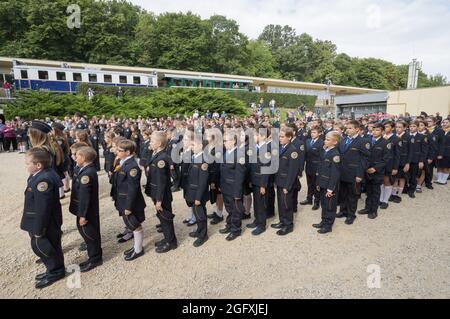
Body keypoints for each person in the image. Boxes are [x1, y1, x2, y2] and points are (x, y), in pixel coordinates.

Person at [21, 148, 65, 289]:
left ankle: (55, 271)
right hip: (46, 221)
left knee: (45, 247)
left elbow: (43, 209)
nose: (26, 165)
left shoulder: (43, 180)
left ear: (38, 165)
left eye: (28, 163)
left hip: (45, 222)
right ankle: (53, 269)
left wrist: (39, 229)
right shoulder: (41, 174)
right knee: (51, 246)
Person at [69, 146, 102, 272]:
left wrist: (83, 215)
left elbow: (85, 197)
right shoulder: (83, 169)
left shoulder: (87, 174)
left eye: (76, 156)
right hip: (84, 210)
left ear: (82, 158)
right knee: (87, 234)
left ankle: (95, 259)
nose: (74, 158)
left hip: (87, 212)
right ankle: (92, 256)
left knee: (90, 234)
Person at [113, 139, 147, 261]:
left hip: (130, 203)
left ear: (128, 152)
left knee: (135, 225)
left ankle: (138, 249)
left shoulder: (132, 167)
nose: (116, 151)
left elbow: (133, 189)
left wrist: (128, 207)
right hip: (123, 200)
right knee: (130, 225)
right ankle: (136, 247)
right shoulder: (122, 162)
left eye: (119, 150)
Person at [145, 131, 178, 253]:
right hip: (156, 192)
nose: (150, 142)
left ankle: (171, 242)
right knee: (161, 217)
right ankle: (167, 238)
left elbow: (162, 182)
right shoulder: (156, 154)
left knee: (165, 218)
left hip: (161, 195)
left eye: (152, 141)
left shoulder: (162, 159)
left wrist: (159, 200)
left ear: (159, 143)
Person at [338, 120, 370, 225]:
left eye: (350, 128)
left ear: (357, 129)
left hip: (354, 173)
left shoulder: (362, 141)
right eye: (347, 128)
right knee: (343, 194)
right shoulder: (343, 140)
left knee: (352, 196)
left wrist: (360, 174)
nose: (347, 130)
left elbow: (364, 160)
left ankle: (351, 215)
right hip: (342, 172)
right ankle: (343, 211)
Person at [271, 126, 301, 236]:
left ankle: (288, 225)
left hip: (286, 183)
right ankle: (282, 221)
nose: (280, 138)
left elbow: (293, 172)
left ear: (289, 137)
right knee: (280, 203)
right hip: (280, 180)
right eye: (279, 136)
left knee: (287, 204)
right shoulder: (281, 147)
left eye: (282, 137)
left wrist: (287, 186)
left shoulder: (292, 150)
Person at [359, 123, 391, 219]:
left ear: (382, 131)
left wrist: (375, 168)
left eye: (377, 130)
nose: (374, 132)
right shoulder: (368, 141)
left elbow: (386, 159)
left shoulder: (385, 143)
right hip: (367, 170)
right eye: (373, 130)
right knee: (368, 191)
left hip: (377, 171)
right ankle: (367, 208)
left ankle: (373, 210)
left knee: (375, 192)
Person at [219, 130, 246, 241]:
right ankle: (229, 225)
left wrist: (237, 193)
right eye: (223, 141)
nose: (224, 143)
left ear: (234, 141)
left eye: (225, 141)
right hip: (225, 187)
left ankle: (236, 230)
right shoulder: (226, 152)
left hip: (234, 189)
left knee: (236, 210)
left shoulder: (239, 155)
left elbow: (240, 176)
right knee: (229, 209)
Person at [313, 131, 341, 234]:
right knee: (324, 204)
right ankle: (323, 221)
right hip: (322, 182)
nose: (325, 141)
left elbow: (335, 174)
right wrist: (318, 183)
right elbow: (320, 168)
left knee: (330, 205)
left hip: (329, 185)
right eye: (325, 139)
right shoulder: (325, 151)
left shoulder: (335, 154)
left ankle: (328, 225)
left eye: (328, 140)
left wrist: (331, 188)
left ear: (335, 142)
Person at [247, 125, 272, 236]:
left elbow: (266, 169)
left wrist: (263, 185)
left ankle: (261, 225)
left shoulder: (266, 149)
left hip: (261, 182)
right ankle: (256, 220)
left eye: (255, 135)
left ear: (261, 136)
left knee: (261, 203)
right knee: (256, 202)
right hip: (255, 180)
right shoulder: (256, 147)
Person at [186, 137, 210, 247]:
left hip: (198, 194)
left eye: (193, 145)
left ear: (200, 146)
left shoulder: (203, 160)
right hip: (192, 191)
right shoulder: (194, 157)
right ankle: (199, 230)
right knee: (196, 212)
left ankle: (203, 235)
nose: (191, 147)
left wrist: (198, 198)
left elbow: (203, 182)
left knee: (200, 215)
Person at [301, 126, 324, 210]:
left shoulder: (322, 142)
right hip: (309, 165)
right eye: (311, 132)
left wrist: (320, 169)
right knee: (309, 183)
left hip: (316, 166)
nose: (312, 134)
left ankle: (317, 201)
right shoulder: (307, 141)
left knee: (316, 184)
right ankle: (309, 199)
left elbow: (322, 157)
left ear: (319, 133)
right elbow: (304, 154)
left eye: (314, 132)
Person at [436, 118, 450, 184]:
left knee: (446, 167)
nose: (444, 124)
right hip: (439, 151)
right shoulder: (440, 131)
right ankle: (439, 179)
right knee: (439, 166)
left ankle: (444, 180)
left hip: (448, 152)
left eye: (446, 122)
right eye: (444, 122)